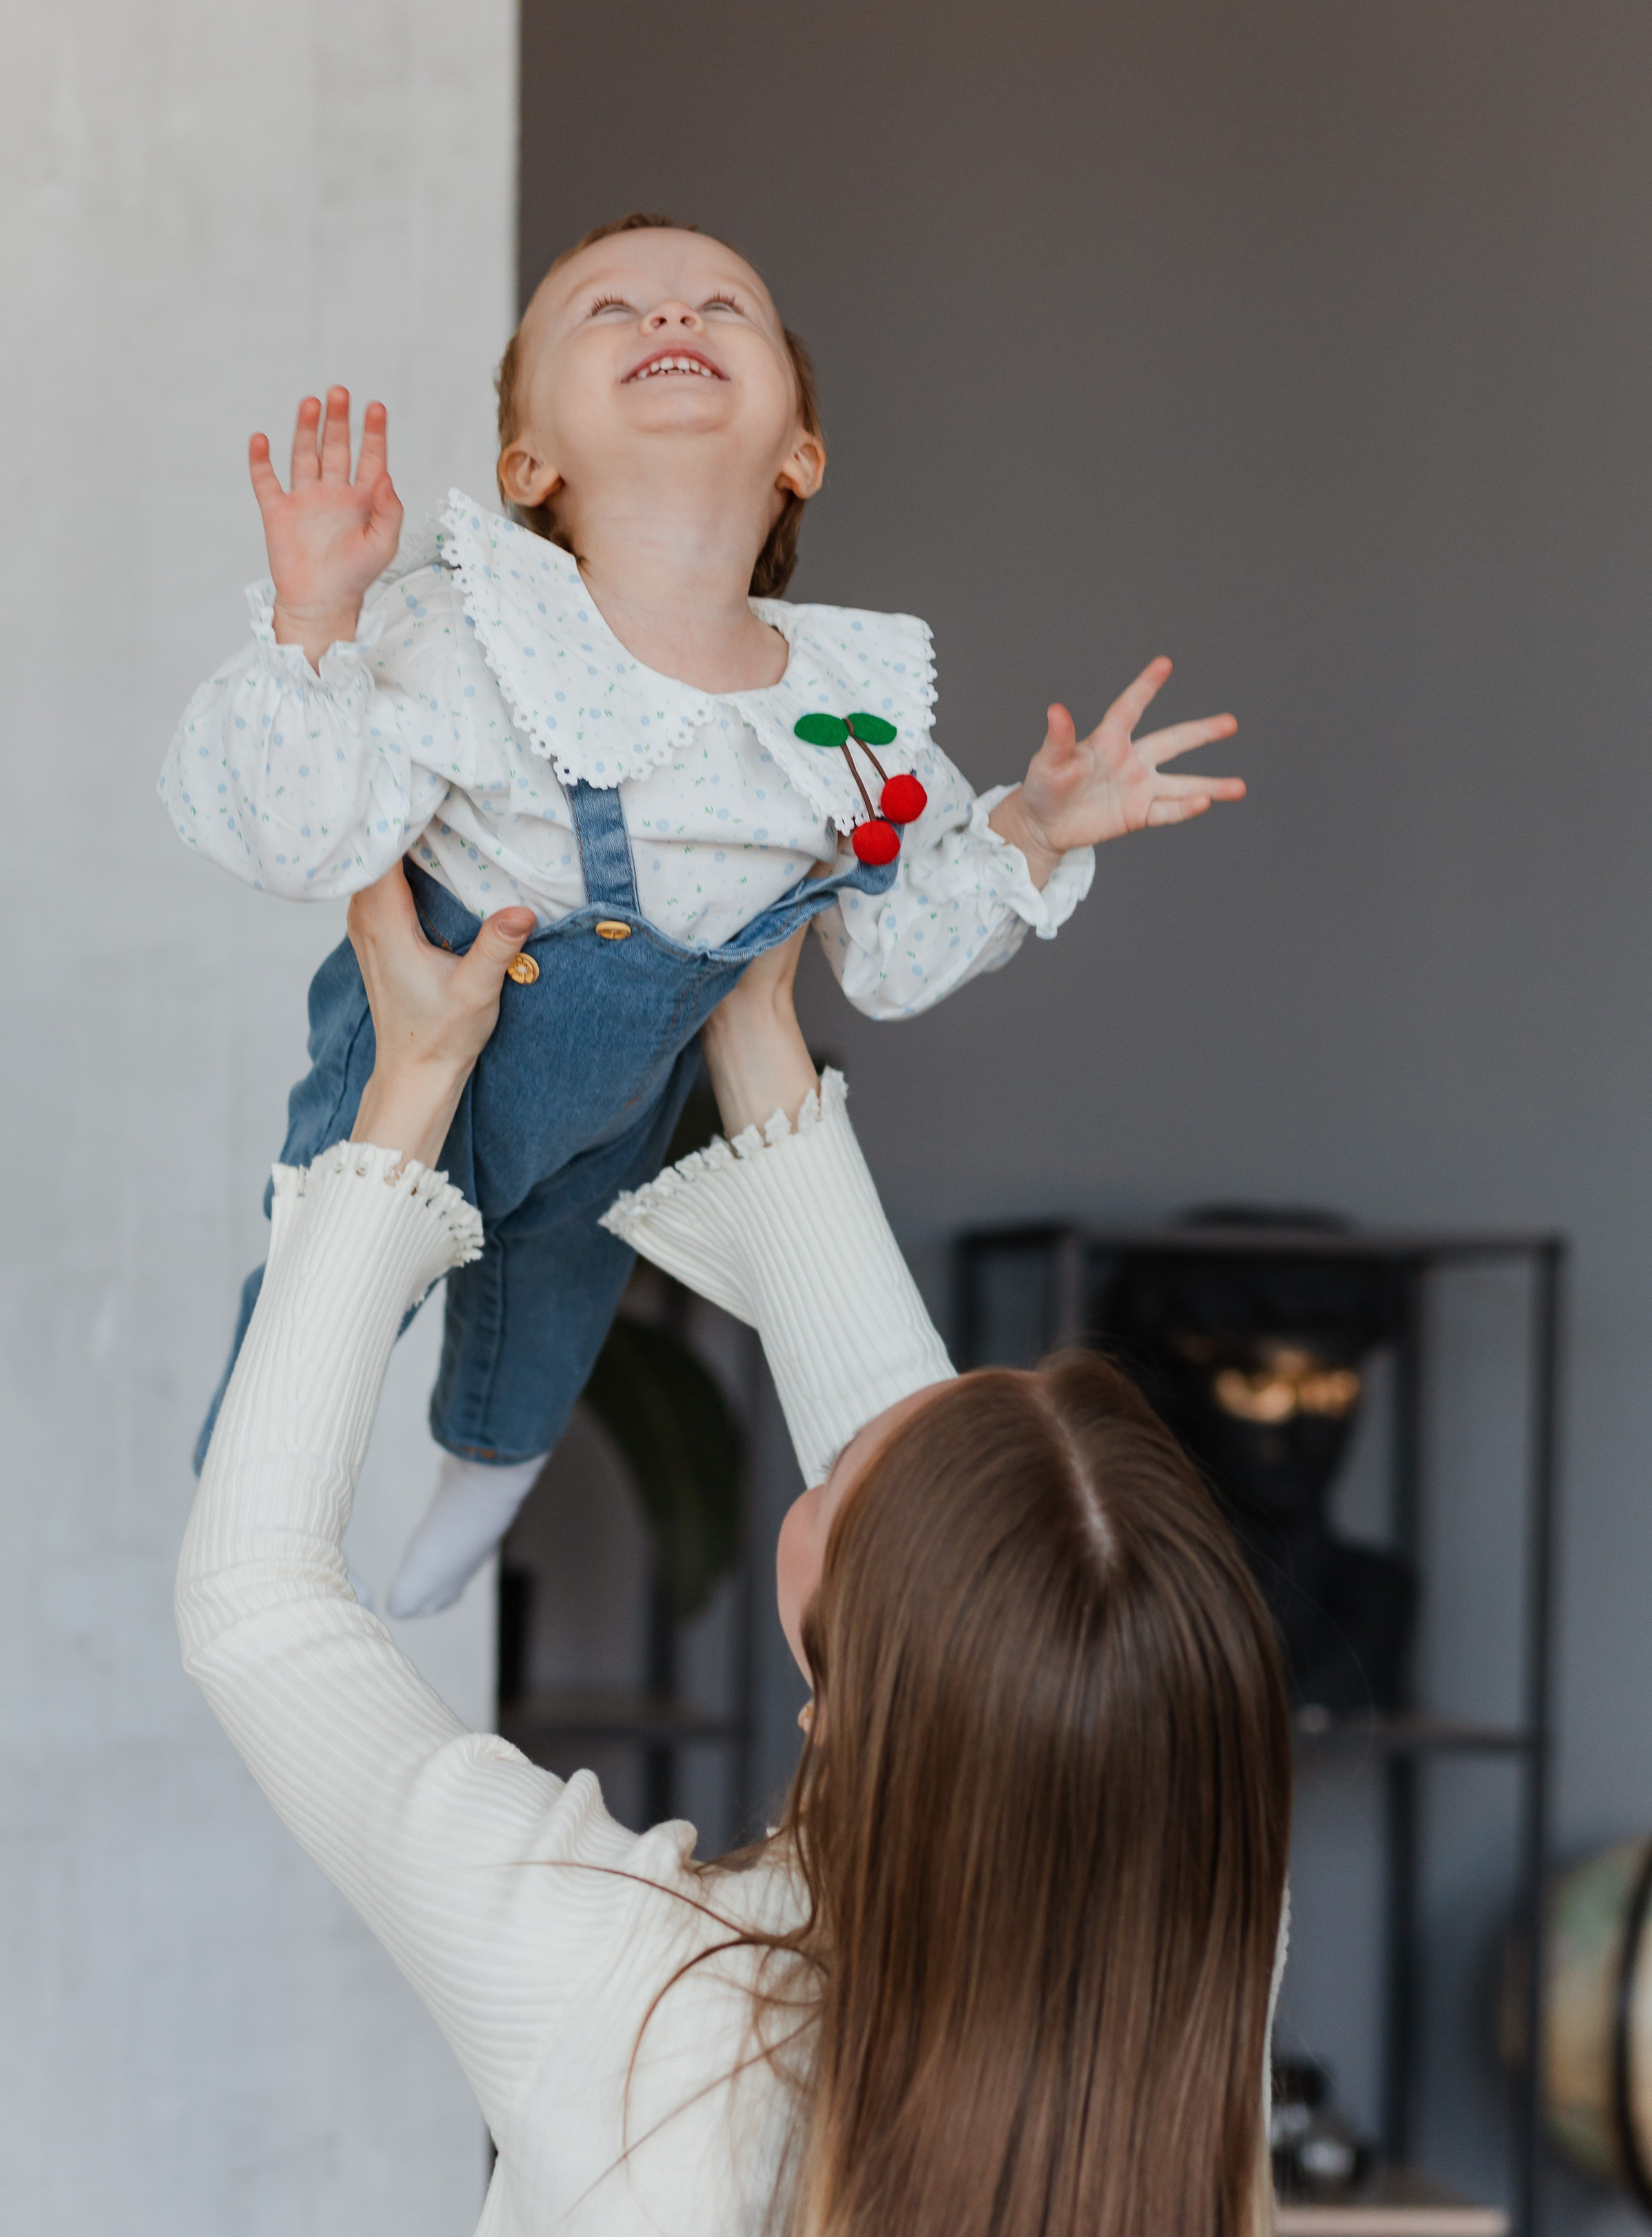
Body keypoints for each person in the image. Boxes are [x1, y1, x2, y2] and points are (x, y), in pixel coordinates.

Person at [159, 211, 1247, 1620]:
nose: (670, 312)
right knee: (325, 1293)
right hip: (412, 1060)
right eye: (607, 308)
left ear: (798, 452)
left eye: (720, 302)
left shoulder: (840, 715)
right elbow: (300, 838)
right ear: (527, 466)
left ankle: (484, 1479)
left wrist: (1030, 827)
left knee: (552, 1315)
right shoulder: (471, 629)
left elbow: (893, 954)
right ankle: (232, 1506)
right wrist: (315, 624)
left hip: (619, 1104)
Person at [177, 865, 1292, 2237]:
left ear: (837, 1704)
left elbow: (259, 1604)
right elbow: (946, 1548)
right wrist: (749, 1007)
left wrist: (404, 1086)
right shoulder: (1204, 1967)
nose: (881, 1415)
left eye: (882, 1473)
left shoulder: (635, 2000)